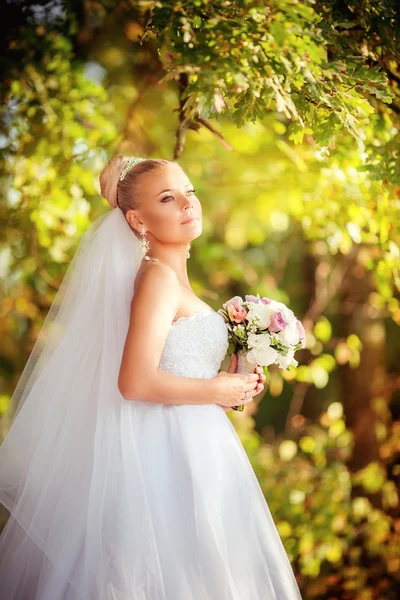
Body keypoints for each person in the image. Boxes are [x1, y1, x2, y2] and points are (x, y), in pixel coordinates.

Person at [0, 156, 302, 599]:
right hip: (164, 452)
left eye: (189, 192)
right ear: (138, 220)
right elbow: (135, 382)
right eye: (168, 198)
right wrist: (214, 389)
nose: (187, 203)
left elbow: (176, 370)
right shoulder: (158, 279)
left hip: (198, 445)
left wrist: (234, 379)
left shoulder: (175, 282)